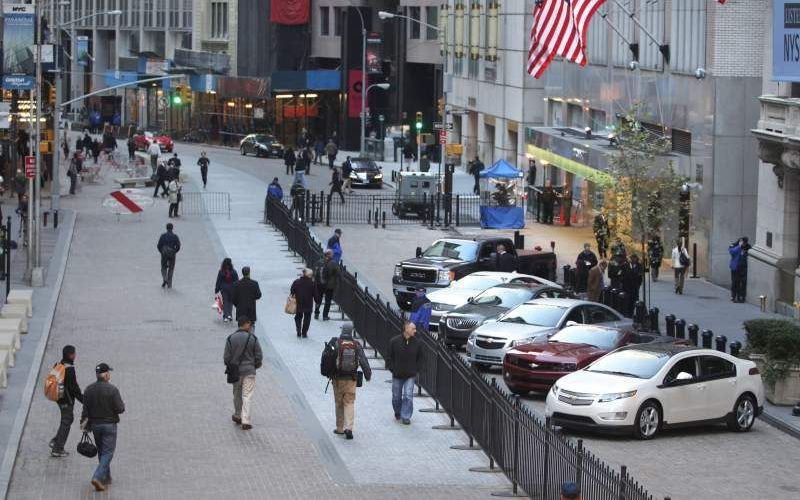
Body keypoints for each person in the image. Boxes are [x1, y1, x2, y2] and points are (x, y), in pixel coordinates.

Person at [80, 363, 125, 492]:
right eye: (109, 373)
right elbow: (120, 408)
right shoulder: (112, 390)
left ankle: (106, 477)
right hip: (109, 426)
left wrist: (83, 424)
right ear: (106, 375)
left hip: (95, 426)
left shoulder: (89, 389)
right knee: (108, 453)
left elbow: (85, 410)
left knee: (102, 451)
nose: (109, 375)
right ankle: (97, 477)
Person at [330, 323, 372, 439]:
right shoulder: (356, 344)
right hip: (351, 379)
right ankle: (349, 428)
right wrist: (368, 375)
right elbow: (363, 361)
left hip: (337, 379)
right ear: (351, 332)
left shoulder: (336, 343)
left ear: (342, 331)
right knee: (349, 403)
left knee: (339, 403)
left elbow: (328, 359)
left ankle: (339, 428)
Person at [223, 317, 263, 430]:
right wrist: (254, 365)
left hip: (236, 372)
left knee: (237, 394)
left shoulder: (231, 338)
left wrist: (231, 365)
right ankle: (246, 420)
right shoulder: (253, 338)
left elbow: (226, 357)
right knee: (247, 395)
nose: (250, 327)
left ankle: (237, 414)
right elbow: (259, 356)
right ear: (245, 324)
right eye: (249, 324)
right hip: (249, 371)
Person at [49, 345, 83, 458]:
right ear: (71, 355)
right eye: (74, 353)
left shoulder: (59, 364)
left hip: (59, 398)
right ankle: (58, 448)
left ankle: (56, 440)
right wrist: (83, 400)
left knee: (68, 419)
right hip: (66, 400)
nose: (75, 355)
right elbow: (74, 388)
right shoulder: (69, 369)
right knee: (66, 421)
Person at [386, 321, 423, 425]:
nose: (415, 331)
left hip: (410, 375)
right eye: (413, 329)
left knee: (408, 395)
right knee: (396, 396)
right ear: (406, 329)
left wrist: (416, 370)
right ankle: (397, 411)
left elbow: (420, 358)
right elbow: (389, 357)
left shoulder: (417, 343)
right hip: (397, 374)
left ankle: (406, 416)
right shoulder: (394, 341)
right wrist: (393, 369)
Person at [290, 268, 316, 338]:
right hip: (308, 303)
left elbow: (292, 291)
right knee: (307, 318)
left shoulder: (297, 282)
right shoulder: (312, 283)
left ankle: (298, 330)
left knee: (298, 316)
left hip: (299, 302)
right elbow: (315, 294)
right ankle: (304, 332)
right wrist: (317, 300)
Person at [317, 250, 339, 321]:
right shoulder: (333, 263)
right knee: (328, 300)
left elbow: (316, 271)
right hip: (329, 285)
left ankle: (316, 313)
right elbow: (338, 272)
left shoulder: (320, 261)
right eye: (332, 254)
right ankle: (325, 316)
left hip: (320, 284)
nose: (333, 255)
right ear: (329, 255)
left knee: (319, 299)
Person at [157, 223, 180, 288]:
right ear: (172, 228)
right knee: (171, 269)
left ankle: (165, 278)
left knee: (163, 267)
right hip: (172, 253)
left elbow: (159, 245)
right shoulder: (175, 236)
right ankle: (169, 284)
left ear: (166, 228)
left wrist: (161, 252)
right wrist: (175, 251)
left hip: (164, 253)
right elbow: (178, 246)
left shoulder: (163, 236)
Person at [729, 237, 750, 303]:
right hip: (735, 267)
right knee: (735, 282)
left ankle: (741, 297)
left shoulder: (748, 247)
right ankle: (733, 296)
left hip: (743, 267)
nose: (744, 244)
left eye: (745, 243)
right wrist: (739, 246)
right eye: (743, 243)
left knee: (743, 283)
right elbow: (732, 252)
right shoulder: (734, 245)